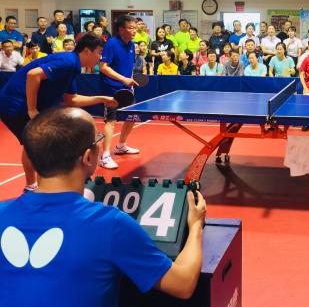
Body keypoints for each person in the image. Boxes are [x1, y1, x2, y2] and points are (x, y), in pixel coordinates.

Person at [0, 106, 207, 306]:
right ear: (88, 157)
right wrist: (196, 225)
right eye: (98, 139)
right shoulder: (110, 225)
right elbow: (182, 284)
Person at [0, 33, 117, 191]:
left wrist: (101, 99)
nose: (100, 57)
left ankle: (33, 185)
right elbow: (33, 75)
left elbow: (72, 100)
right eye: (99, 52)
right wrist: (32, 109)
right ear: (87, 51)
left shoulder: (73, 67)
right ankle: (32, 186)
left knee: (33, 143)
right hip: (16, 104)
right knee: (35, 143)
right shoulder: (67, 62)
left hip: (22, 104)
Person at [99, 15, 140, 170]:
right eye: (131, 28)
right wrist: (124, 79)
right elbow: (103, 67)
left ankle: (121, 145)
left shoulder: (131, 44)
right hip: (111, 89)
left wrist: (130, 81)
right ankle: (105, 156)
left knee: (132, 117)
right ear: (121, 29)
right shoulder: (111, 44)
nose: (134, 30)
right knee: (111, 121)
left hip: (127, 88)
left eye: (135, 28)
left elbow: (129, 66)